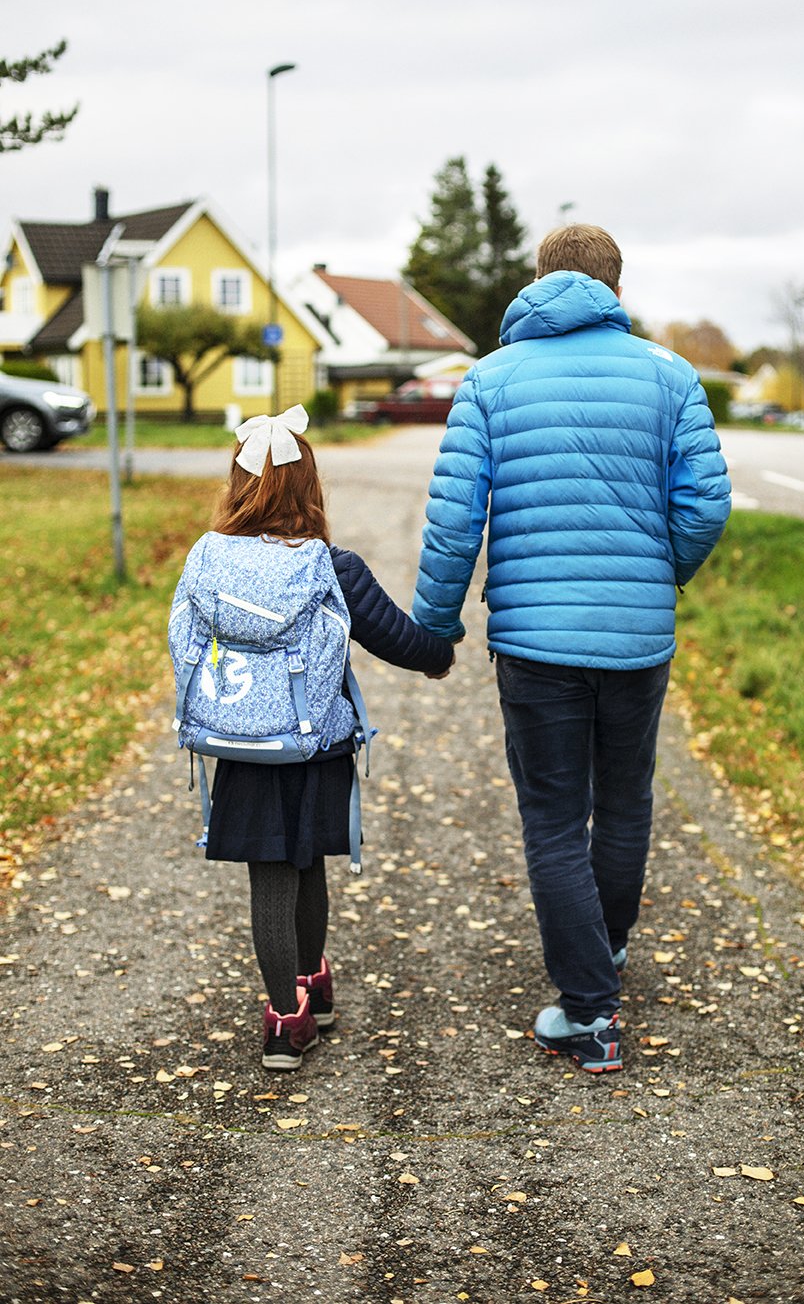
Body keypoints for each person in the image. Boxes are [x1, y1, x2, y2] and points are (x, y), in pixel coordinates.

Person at [412, 225, 731, 1073]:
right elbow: (704, 508)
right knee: (624, 799)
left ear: (540, 280)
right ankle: (604, 949)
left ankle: (589, 1012)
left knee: (554, 816)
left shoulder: (490, 379)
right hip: (636, 639)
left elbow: (452, 524)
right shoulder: (670, 375)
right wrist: (657, 578)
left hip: (534, 641)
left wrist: (434, 627)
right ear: (614, 285)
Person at [188, 407, 454, 1070]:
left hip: (241, 740)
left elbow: (184, 641)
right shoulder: (331, 566)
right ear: (309, 487)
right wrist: (439, 653)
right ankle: (308, 987)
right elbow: (398, 637)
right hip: (315, 742)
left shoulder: (206, 557)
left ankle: (286, 1013)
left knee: (270, 872)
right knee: (307, 857)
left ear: (237, 484)